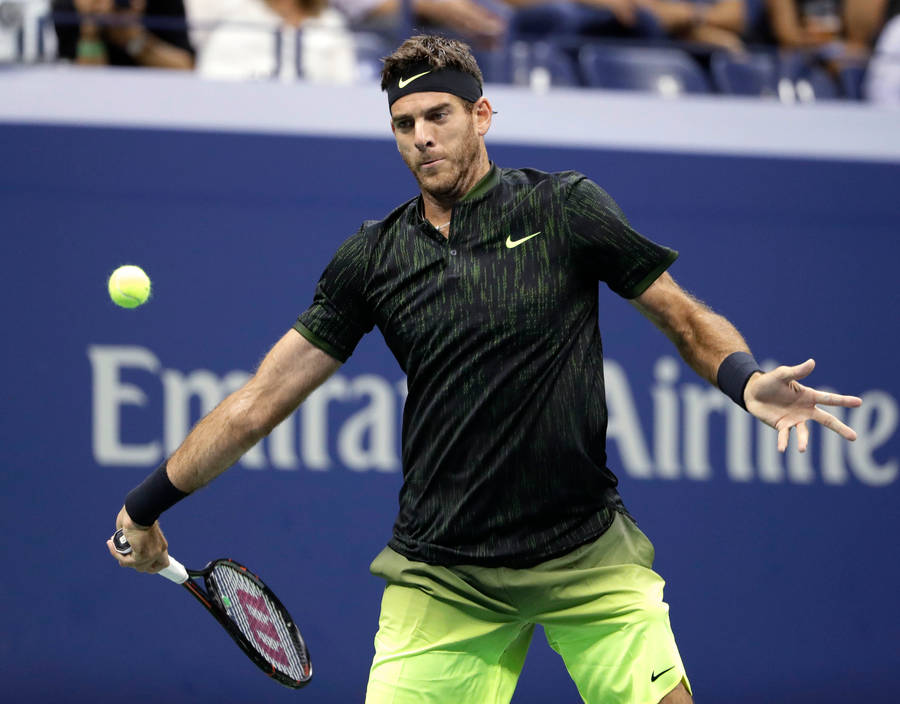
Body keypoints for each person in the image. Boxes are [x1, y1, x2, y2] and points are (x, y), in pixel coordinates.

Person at [107, 34, 862, 704]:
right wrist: (144, 508)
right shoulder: (372, 259)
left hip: (586, 554)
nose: (422, 137)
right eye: (404, 124)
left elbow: (684, 318)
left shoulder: (564, 208)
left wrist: (744, 379)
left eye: (439, 116)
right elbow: (257, 403)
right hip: (443, 574)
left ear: (482, 115)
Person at [52, 0, 194, 69]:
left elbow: (185, 69)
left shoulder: (164, 4)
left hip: (153, 99)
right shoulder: (71, 8)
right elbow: (81, 86)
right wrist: (90, 32)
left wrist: (135, 41)